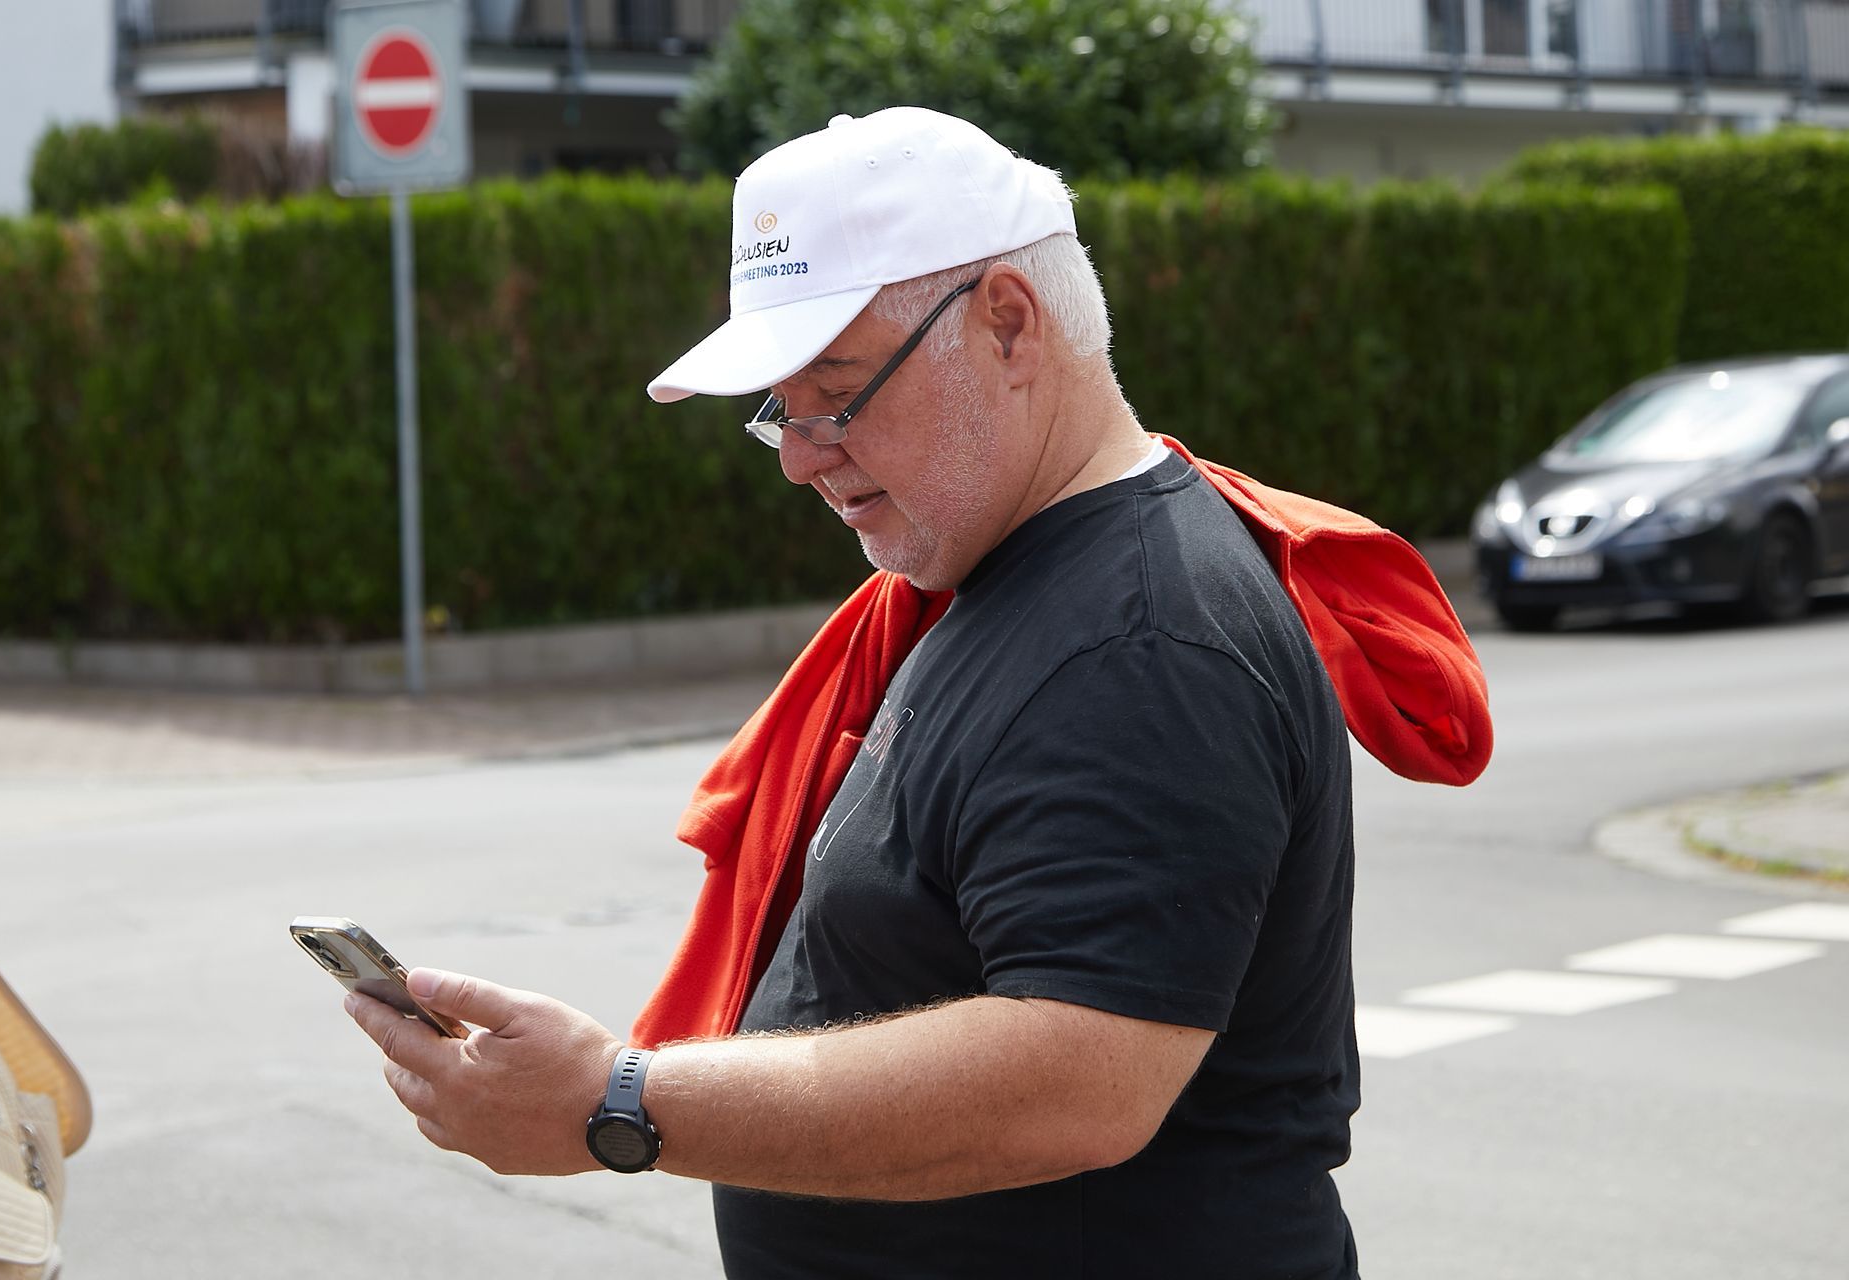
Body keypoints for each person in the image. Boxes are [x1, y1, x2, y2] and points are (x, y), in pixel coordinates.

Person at [346, 106, 1361, 1278]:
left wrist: (618, 1101)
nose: (797, 453)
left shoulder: (1139, 638)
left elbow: (1081, 1075)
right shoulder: (1017, 574)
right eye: (779, 407)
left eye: (835, 389)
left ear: (1009, 324)